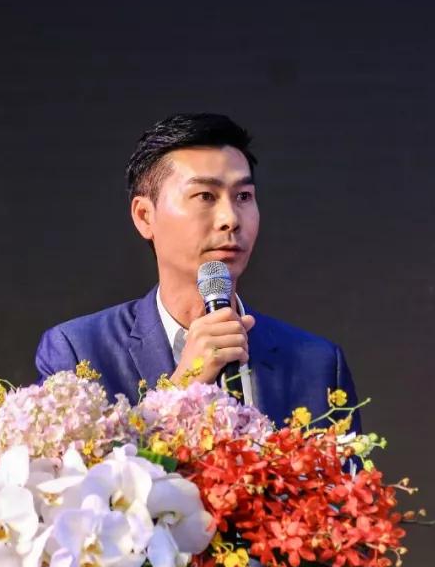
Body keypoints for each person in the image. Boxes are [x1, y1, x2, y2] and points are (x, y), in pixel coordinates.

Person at [35, 113, 360, 431]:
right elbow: (66, 466)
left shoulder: (318, 364)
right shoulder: (77, 352)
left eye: (243, 197)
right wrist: (183, 385)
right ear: (145, 216)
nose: (230, 219)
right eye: (205, 196)